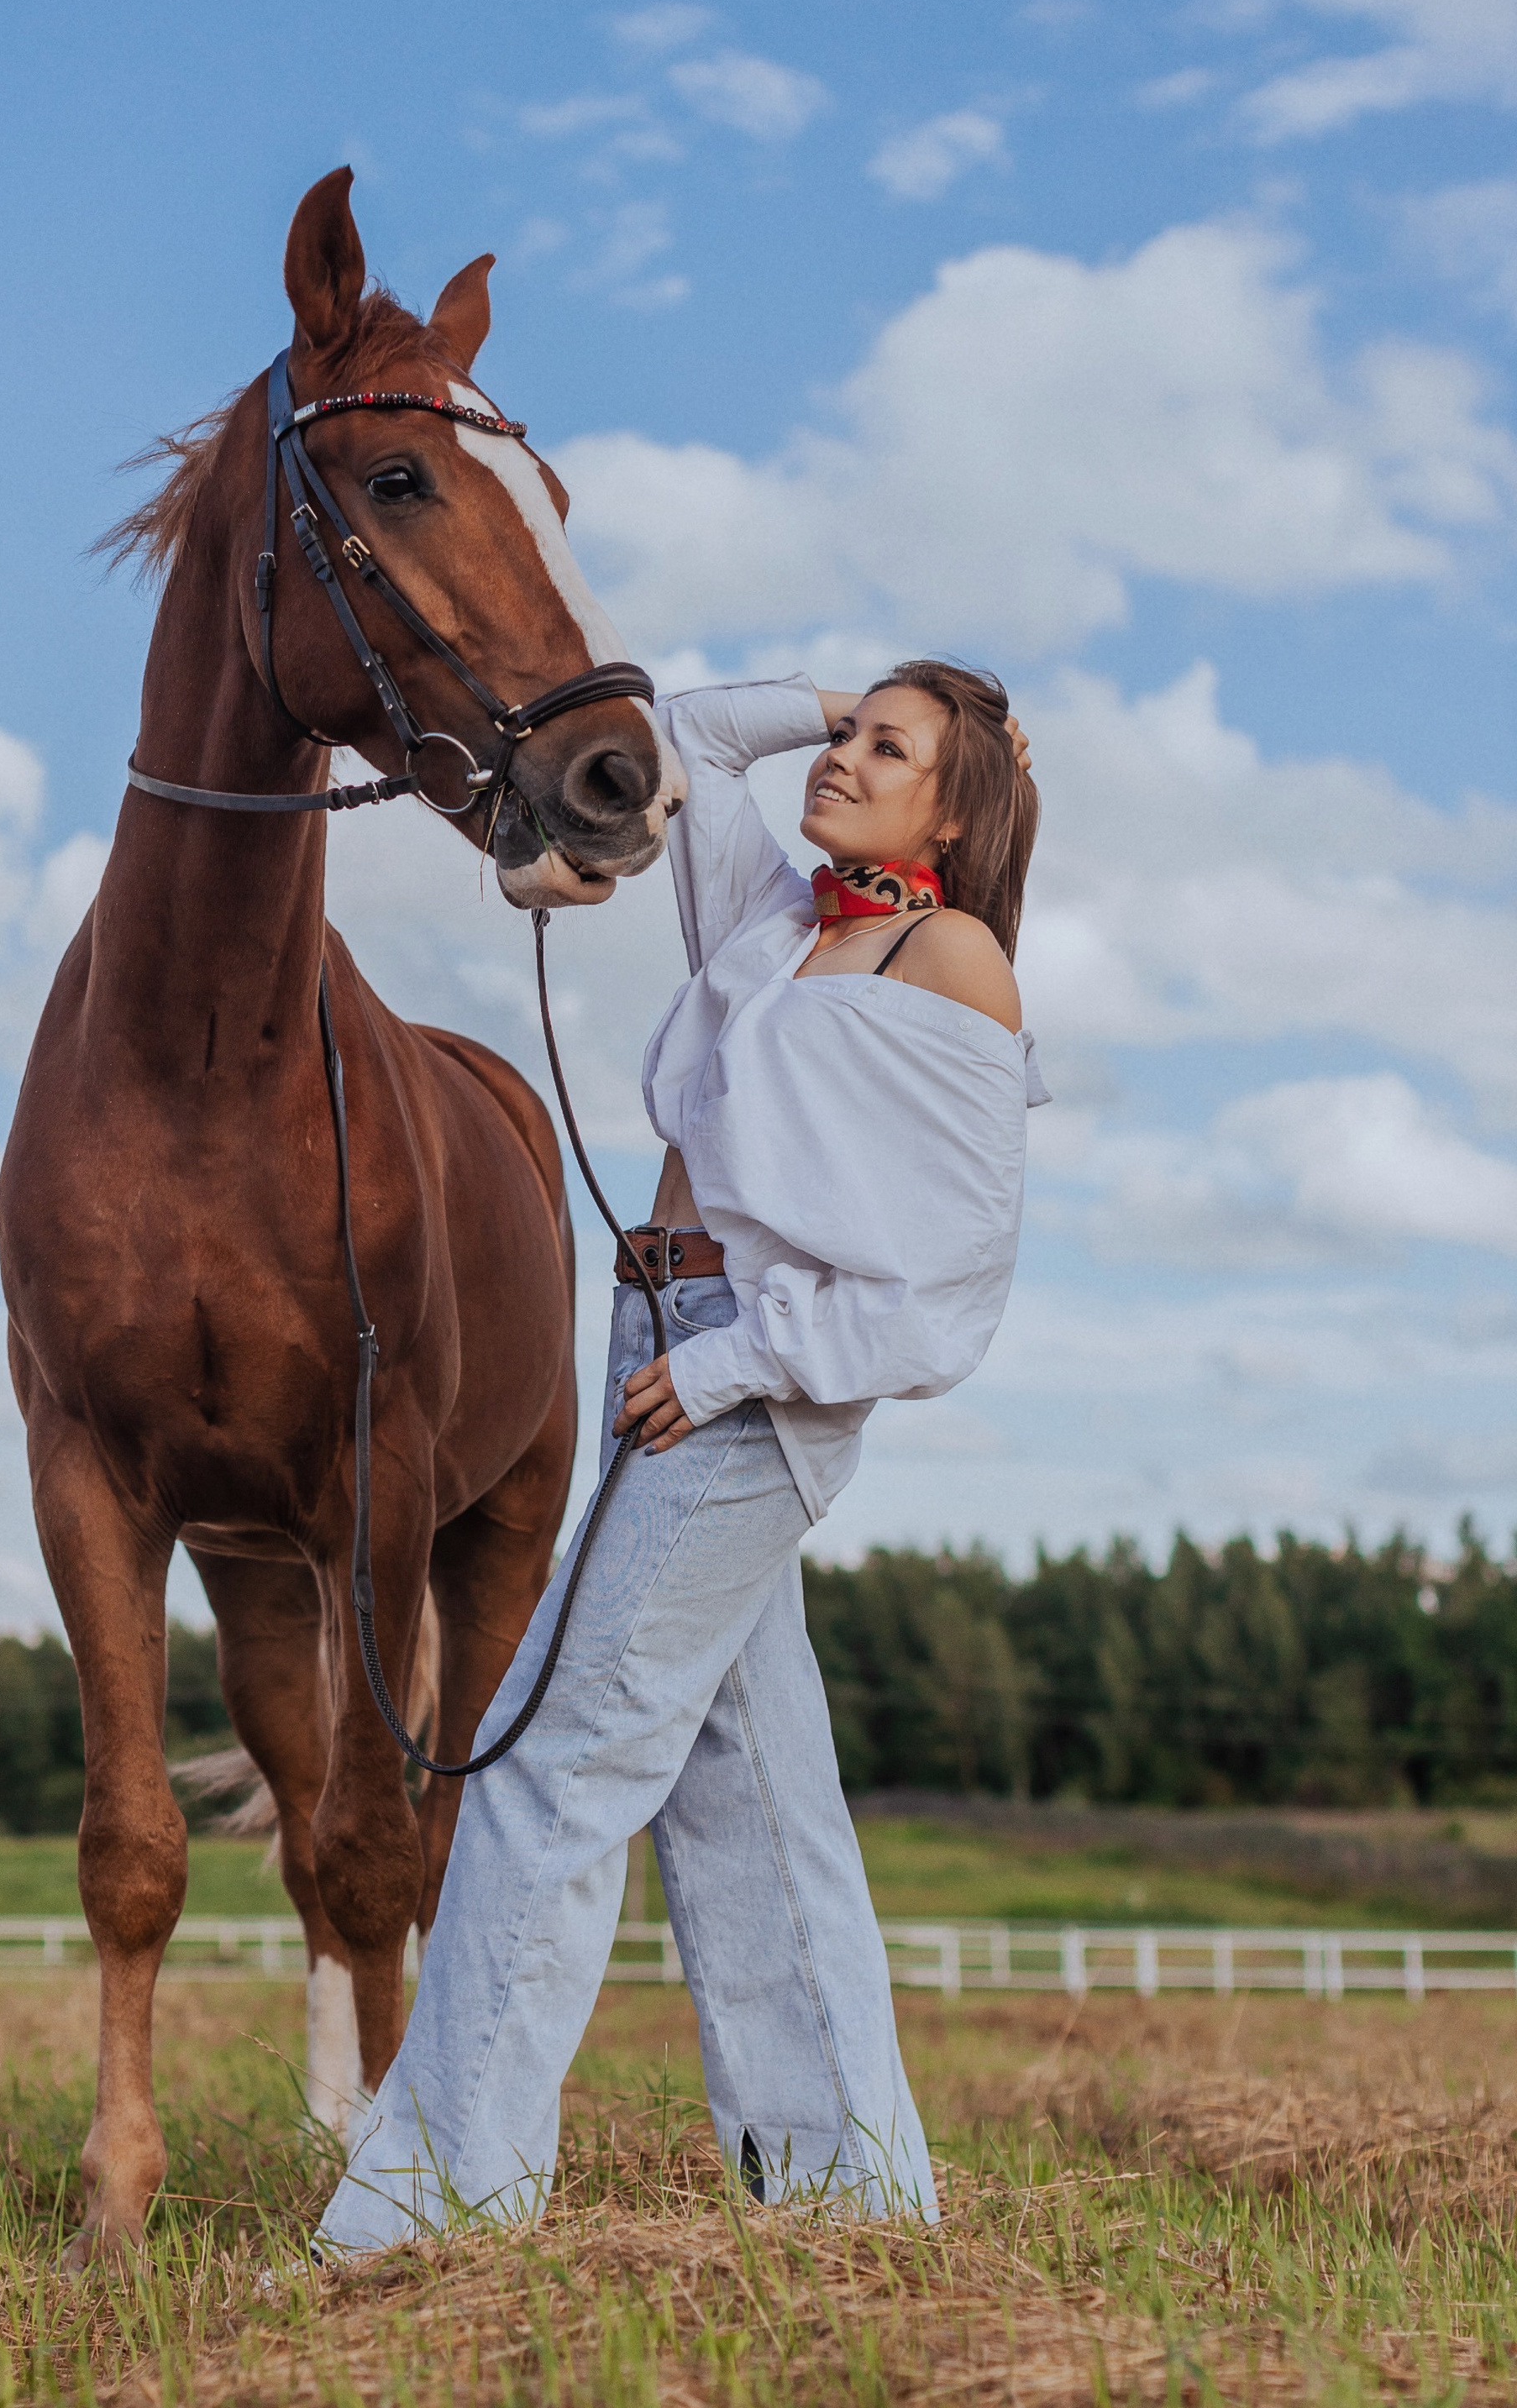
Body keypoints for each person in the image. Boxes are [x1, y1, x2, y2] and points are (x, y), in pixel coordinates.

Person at [313, 660, 1044, 2251]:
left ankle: (432, 2208)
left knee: (544, 1767)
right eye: (850, 736)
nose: (844, 757)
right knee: (755, 1796)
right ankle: (852, 2196)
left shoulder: (952, 961)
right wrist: (825, 687)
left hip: (749, 1385)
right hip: (663, 1346)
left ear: (959, 805)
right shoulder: (783, 928)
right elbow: (686, 742)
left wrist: (733, 1363)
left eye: (886, 747)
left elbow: (947, 1289)